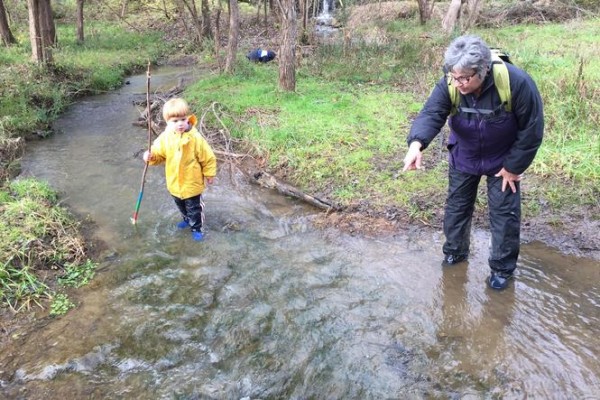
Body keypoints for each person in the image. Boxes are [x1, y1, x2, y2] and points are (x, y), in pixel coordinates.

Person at [402, 35, 544, 290]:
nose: (459, 84)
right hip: (464, 154)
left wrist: (513, 167)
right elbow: (432, 113)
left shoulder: (516, 82)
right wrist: (416, 144)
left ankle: (501, 270)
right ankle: (455, 254)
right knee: (456, 208)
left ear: (484, 70)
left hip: (503, 160)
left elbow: (532, 129)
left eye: (465, 78)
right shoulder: (451, 82)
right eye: (454, 77)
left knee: (504, 215)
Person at [143, 98, 217, 241]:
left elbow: (208, 157)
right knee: (181, 206)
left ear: (188, 118)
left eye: (183, 119)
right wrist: (150, 156)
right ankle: (186, 219)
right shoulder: (165, 137)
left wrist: (209, 174)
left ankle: (197, 228)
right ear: (167, 122)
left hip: (192, 183)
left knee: (194, 209)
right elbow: (158, 154)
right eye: (175, 121)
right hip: (174, 183)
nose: (180, 124)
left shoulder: (195, 138)